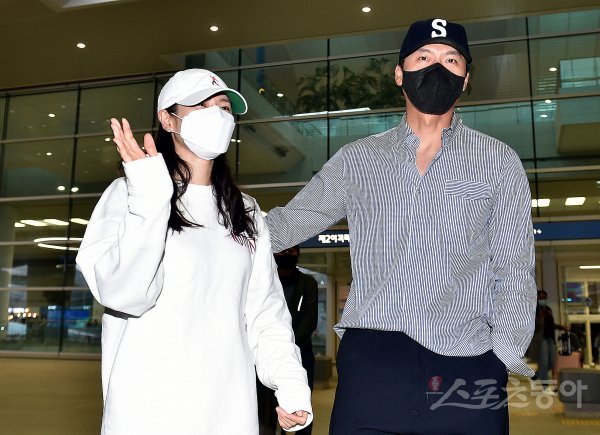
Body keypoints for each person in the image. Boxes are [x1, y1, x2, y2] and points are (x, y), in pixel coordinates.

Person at [266, 18, 537, 434]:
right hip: (373, 361)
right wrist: (206, 215)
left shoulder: (498, 161)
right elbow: (288, 224)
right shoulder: (359, 159)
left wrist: (501, 356)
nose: (438, 67)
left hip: (467, 361)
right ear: (399, 73)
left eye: (452, 60)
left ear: (466, 79)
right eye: (423, 57)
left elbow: (514, 267)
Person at [76, 69, 312, 434]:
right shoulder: (127, 194)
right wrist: (150, 196)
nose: (217, 114)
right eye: (202, 105)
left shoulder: (245, 210)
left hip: (229, 411)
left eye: (224, 107)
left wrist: (292, 386)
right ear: (167, 119)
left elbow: (265, 313)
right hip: (147, 410)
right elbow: (125, 295)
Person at [257, 246, 318, 435]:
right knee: (266, 410)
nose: (287, 255)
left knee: (300, 407)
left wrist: (286, 345)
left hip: (301, 353)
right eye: (282, 251)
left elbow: (309, 321)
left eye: (291, 251)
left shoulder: (307, 283)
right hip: (267, 353)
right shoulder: (266, 281)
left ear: (298, 253)